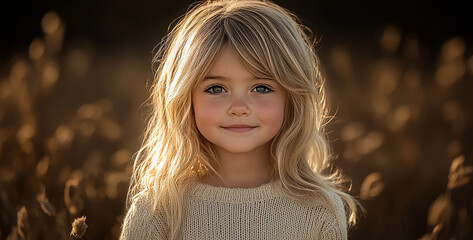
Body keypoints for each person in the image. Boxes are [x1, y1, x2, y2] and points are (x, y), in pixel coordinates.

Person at [120, 0, 360, 239]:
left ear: (292, 98)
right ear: (186, 99)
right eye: (216, 88)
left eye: (261, 88)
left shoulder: (320, 210)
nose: (239, 108)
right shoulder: (156, 212)